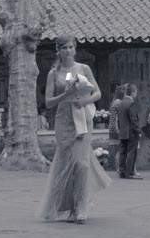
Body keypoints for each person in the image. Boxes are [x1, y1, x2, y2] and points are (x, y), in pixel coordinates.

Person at [38, 35, 111, 224]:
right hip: (63, 120)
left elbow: (97, 93)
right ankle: (67, 207)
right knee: (65, 165)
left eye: (71, 47)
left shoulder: (83, 69)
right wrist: (66, 94)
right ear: (59, 50)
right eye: (64, 48)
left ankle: (80, 207)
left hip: (82, 119)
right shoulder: (53, 73)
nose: (68, 50)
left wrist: (84, 100)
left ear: (75, 49)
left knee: (81, 163)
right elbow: (48, 102)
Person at [116, 83, 143, 180]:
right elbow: (133, 120)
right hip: (131, 132)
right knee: (132, 152)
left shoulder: (120, 104)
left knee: (123, 152)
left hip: (123, 131)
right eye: (135, 93)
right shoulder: (131, 104)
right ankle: (130, 172)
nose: (136, 95)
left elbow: (119, 120)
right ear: (132, 93)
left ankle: (122, 172)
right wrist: (138, 131)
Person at [107, 84, 125, 174]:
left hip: (112, 127)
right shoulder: (119, 102)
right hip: (117, 128)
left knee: (116, 149)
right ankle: (118, 168)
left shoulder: (113, 102)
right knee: (119, 149)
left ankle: (116, 167)